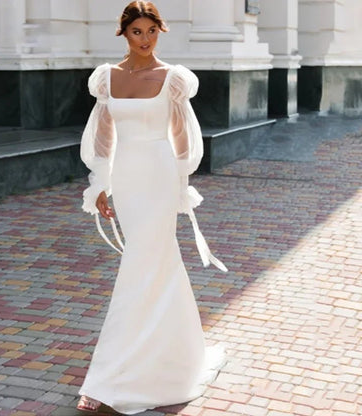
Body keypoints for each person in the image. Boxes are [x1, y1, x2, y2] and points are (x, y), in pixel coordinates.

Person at [77, 1, 227, 414]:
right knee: (152, 264)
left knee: (145, 261)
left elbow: (182, 137)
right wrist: (100, 186)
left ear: (160, 32)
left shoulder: (173, 78)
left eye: (151, 31)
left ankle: (114, 376)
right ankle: (164, 355)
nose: (145, 40)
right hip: (127, 177)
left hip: (159, 176)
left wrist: (181, 186)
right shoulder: (107, 78)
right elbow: (104, 136)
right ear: (124, 33)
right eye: (136, 32)